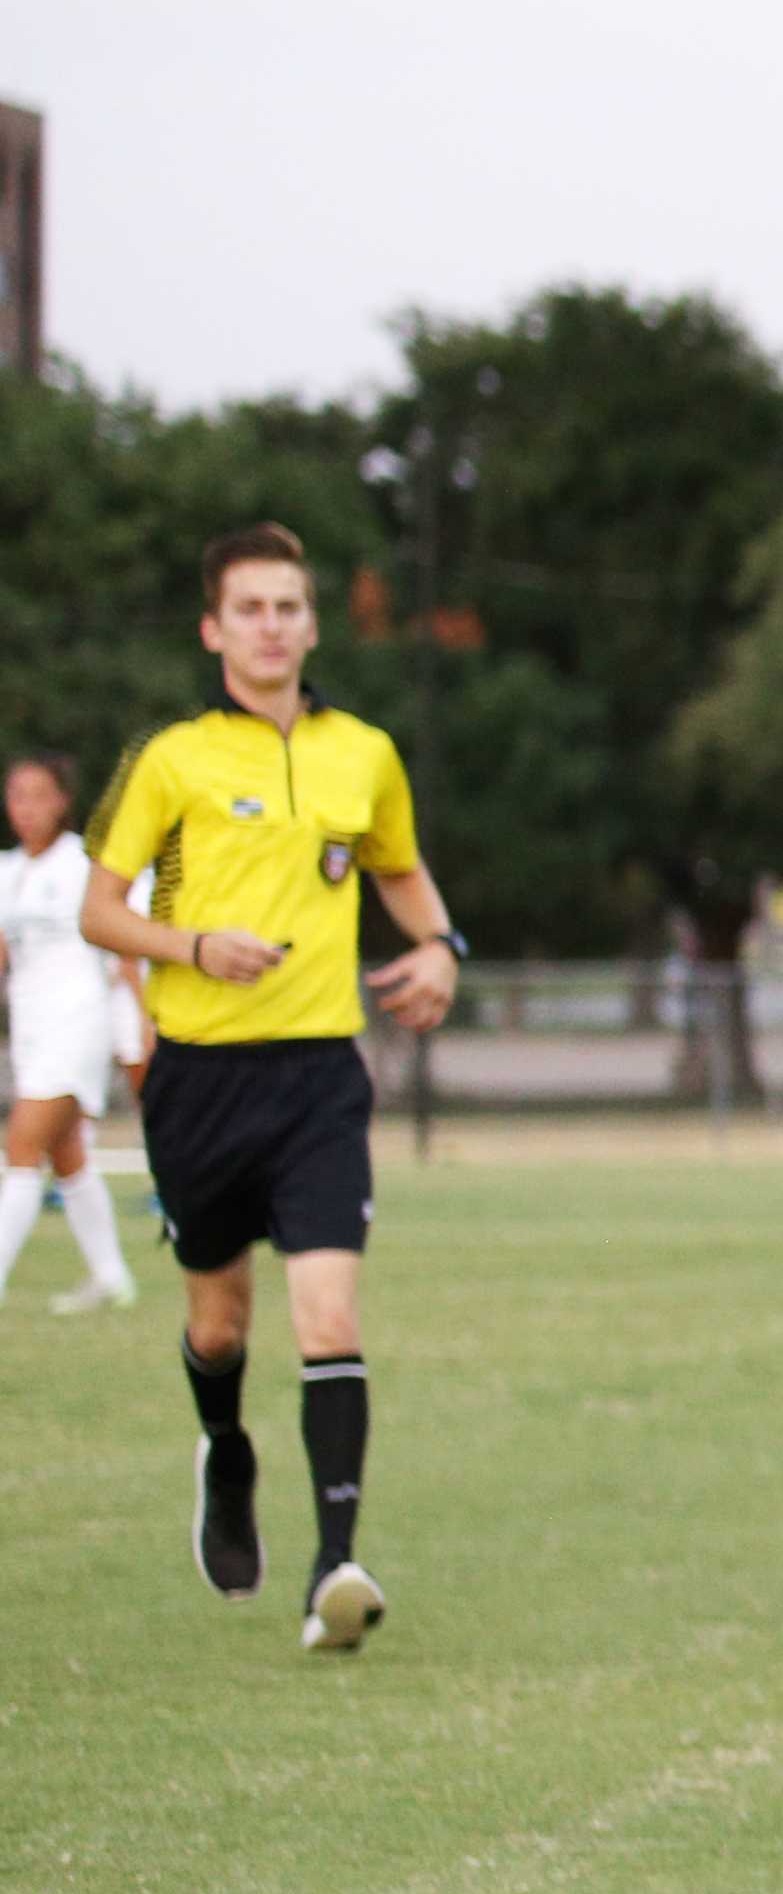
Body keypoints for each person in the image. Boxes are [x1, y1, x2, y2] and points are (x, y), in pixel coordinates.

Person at [80, 526, 464, 1646]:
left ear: (311, 621)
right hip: (198, 1077)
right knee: (219, 1320)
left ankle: (334, 1565)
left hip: (318, 1073)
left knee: (331, 1311)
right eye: (248, 608)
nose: (271, 625)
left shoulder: (366, 752)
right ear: (214, 629)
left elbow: (399, 868)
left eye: (289, 605)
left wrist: (443, 945)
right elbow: (98, 909)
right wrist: (193, 947)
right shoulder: (170, 757)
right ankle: (228, 1449)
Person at [3, 751, 151, 1312]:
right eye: (18, 796)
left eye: (40, 796)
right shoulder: (8, 873)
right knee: (66, 1154)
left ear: (62, 801)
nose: (28, 809)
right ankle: (112, 1278)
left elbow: (125, 948)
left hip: (79, 1021)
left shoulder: (83, 865)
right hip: (32, 1028)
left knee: (21, 1144)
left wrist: (141, 1020)